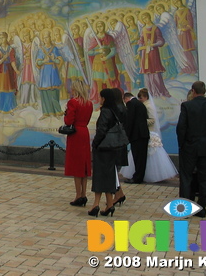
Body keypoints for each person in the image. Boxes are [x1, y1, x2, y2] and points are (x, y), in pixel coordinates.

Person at [176, 81, 206, 218]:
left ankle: (184, 208)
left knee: (186, 177)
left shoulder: (187, 106)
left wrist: (182, 144)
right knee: (204, 178)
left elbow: (181, 127)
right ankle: (201, 208)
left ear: (193, 91)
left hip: (190, 146)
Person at [125, 88, 177, 183]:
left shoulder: (148, 106)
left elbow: (152, 119)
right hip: (143, 132)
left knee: (143, 156)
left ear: (145, 97)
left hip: (147, 131)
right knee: (140, 156)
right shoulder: (142, 105)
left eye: (141, 97)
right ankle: (140, 174)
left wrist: (141, 122)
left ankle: (141, 175)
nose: (140, 99)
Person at [88, 88, 121, 217]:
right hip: (112, 147)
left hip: (103, 148)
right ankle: (109, 204)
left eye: (101, 97)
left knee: (100, 175)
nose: (99, 99)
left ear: (104, 99)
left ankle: (96, 204)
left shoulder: (105, 112)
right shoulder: (115, 110)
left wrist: (95, 143)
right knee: (109, 175)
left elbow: (101, 130)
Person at [63, 80, 93, 207]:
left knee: (76, 165)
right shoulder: (89, 103)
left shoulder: (73, 102)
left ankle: (78, 195)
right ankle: (84, 193)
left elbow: (69, 120)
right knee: (84, 164)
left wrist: (66, 113)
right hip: (84, 131)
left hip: (75, 133)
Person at [122, 91, 149, 184]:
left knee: (137, 157)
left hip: (136, 135)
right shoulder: (140, 104)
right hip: (144, 134)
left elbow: (130, 121)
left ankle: (137, 178)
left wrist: (126, 135)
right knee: (142, 158)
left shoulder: (131, 104)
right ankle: (140, 176)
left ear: (126, 99)